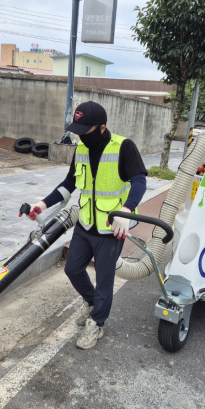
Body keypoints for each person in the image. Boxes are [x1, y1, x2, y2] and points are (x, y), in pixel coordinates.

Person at [20, 101, 147, 350]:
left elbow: (139, 180)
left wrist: (127, 209)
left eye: (84, 131)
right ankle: (91, 303)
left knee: (104, 279)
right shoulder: (81, 150)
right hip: (86, 222)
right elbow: (69, 184)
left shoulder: (123, 147)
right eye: (77, 130)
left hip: (112, 227)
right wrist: (43, 204)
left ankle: (97, 323)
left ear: (102, 128)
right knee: (73, 269)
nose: (80, 136)